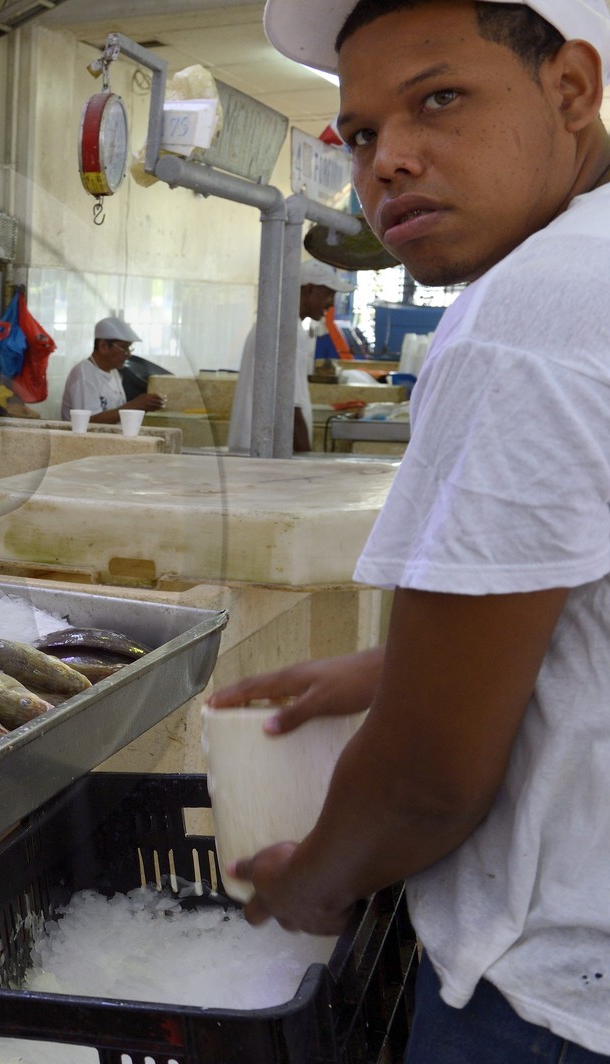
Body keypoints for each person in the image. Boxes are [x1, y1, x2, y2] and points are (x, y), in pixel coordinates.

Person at [209, 0, 610, 1060]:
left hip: (549, 996)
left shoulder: (531, 313)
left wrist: (315, 879)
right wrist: (398, 667)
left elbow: (428, 778)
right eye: (362, 132)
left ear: (570, 87)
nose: (388, 161)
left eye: (439, 99)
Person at [226, 260, 356, 454]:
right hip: (265, 453)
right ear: (309, 290)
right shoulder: (286, 331)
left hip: (256, 449)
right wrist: (306, 463)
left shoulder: (274, 323)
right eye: (328, 295)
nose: (330, 304)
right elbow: (290, 409)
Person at [58, 317, 166, 422]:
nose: (128, 354)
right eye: (124, 347)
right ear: (103, 346)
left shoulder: (114, 372)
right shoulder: (84, 375)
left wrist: (143, 406)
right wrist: (135, 405)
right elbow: (88, 422)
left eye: (129, 348)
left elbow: (116, 413)